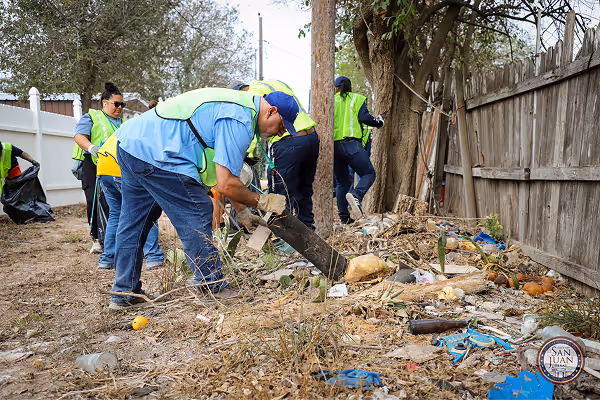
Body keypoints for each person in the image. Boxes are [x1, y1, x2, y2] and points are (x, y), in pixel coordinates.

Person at [108, 87, 297, 310]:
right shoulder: (240, 118)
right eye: (281, 126)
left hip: (131, 144)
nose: (279, 134)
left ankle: (123, 293)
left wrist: (244, 212)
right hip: (159, 153)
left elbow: (226, 179)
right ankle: (211, 286)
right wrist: (263, 202)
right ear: (271, 111)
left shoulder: (236, 105)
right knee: (198, 211)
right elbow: (227, 184)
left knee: (134, 222)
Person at [230, 79, 319, 230]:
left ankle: (282, 234)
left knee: (280, 194)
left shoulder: (252, 94)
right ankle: (308, 232)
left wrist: (245, 151)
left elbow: (251, 122)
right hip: (310, 137)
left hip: (288, 141)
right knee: (304, 190)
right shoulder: (277, 83)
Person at [96, 135, 165, 271]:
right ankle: (153, 256)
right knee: (147, 211)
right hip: (120, 168)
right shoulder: (148, 130)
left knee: (115, 213)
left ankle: (108, 258)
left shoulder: (125, 129)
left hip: (103, 169)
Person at [72, 82, 124, 253]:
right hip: (93, 164)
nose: (119, 107)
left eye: (122, 104)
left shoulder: (123, 123)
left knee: (114, 204)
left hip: (115, 167)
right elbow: (79, 136)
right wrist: (91, 148)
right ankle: (96, 239)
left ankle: (113, 239)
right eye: (116, 104)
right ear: (105, 103)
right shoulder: (92, 117)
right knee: (93, 200)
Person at [333, 76, 384, 224]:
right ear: (350, 87)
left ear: (336, 88)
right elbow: (364, 118)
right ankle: (356, 195)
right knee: (369, 173)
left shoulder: (330, 100)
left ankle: (344, 220)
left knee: (342, 183)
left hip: (334, 147)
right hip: (351, 144)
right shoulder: (357, 98)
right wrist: (379, 122)